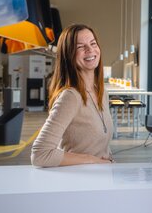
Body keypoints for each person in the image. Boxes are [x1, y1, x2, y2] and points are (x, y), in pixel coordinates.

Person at [31, 24, 114, 167]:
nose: (90, 50)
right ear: (68, 55)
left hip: (101, 178)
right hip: (78, 181)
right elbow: (40, 154)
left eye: (93, 43)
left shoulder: (101, 92)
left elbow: (97, 145)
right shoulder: (70, 97)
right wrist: (93, 160)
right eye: (80, 47)